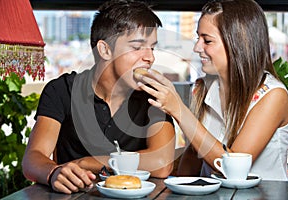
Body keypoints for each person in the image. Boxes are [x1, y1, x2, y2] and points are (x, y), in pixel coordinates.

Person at [22, 0, 176, 194]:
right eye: (137, 47)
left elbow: (162, 162)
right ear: (105, 50)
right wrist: (54, 172)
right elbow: (33, 158)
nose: (150, 58)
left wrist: (86, 162)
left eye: (152, 48)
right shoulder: (62, 90)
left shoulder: (153, 96)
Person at [137, 0, 288, 180]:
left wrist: (178, 109)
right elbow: (195, 156)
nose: (197, 48)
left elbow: (234, 171)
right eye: (198, 38)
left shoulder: (273, 95)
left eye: (207, 40)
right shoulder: (202, 89)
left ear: (238, 42)